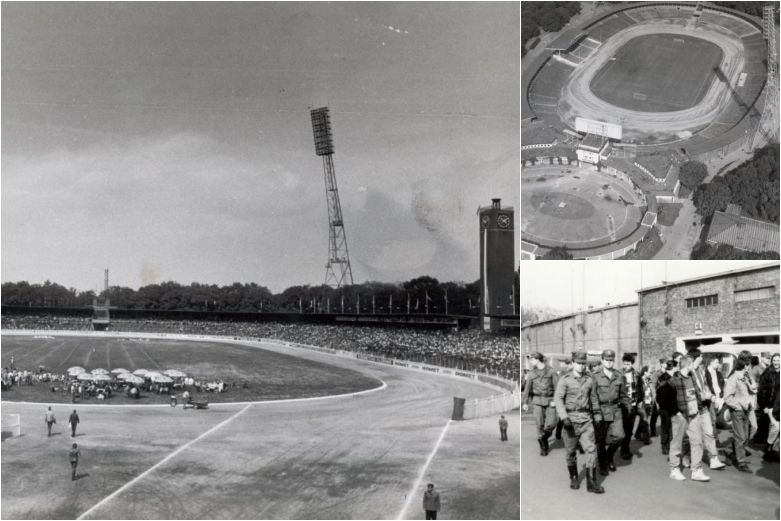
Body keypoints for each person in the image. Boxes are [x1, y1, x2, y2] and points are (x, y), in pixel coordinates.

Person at [554, 351, 604, 494]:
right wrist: (564, 417)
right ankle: (574, 477)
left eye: (584, 363)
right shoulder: (565, 380)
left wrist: (598, 415)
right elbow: (558, 399)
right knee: (570, 452)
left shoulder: (590, 379)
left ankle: (591, 482)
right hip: (570, 419)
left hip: (586, 419)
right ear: (573, 363)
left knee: (591, 449)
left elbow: (593, 398)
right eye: (579, 363)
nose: (581, 366)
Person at [669, 352, 711, 482]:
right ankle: (674, 469)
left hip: (694, 414)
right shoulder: (673, 380)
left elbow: (696, 394)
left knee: (697, 441)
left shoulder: (692, 377)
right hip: (681, 415)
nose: (695, 366)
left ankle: (696, 470)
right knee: (677, 442)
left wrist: (699, 406)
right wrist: (676, 412)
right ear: (688, 364)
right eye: (693, 363)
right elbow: (664, 399)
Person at [591, 349, 628, 476]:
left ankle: (608, 456)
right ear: (602, 360)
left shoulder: (619, 375)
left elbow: (623, 394)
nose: (609, 362)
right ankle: (602, 464)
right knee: (600, 440)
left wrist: (628, 407)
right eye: (607, 360)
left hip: (615, 409)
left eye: (611, 360)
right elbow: (593, 396)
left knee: (620, 436)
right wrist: (595, 412)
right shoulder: (595, 376)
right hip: (600, 410)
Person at [521, 352, 559, 456]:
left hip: (550, 400)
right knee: (539, 424)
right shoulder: (531, 373)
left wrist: (555, 401)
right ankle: (543, 447)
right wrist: (525, 402)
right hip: (537, 401)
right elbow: (527, 389)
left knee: (551, 423)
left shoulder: (551, 371)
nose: (531, 361)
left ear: (538, 359)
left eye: (532, 359)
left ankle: (543, 437)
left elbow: (557, 388)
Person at [724, 358, 754, 472]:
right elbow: (727, 397)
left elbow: (748, 391)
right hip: (737, 412)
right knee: (740, 437)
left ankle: (728, 452)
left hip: (745, 411)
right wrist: (738, 406)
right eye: (749, 365)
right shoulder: (733, 379)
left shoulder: (744, 377)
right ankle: (741, 462)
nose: (750, 368)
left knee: (744, 437)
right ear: (745, 366)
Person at [621, 353, 643, 458]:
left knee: (629, 430)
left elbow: (640, 389)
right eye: (624, 364)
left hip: (633, 405)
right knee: (621, 430)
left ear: (632, 364)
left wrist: (640, 401)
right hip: (622, 406)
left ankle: (625, 449)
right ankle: (621, 447)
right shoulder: (619, 374)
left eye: (628, 364)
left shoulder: (637, 375)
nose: (626, 366)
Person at [759, 353, 780, 461]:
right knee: (775, 428)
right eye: (774, 360)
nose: (776, 362)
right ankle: (768, 449)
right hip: (771, 405)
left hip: (779, 404)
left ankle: (774, 451)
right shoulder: (767, 373)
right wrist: (764, 406)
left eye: (778, 360)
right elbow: (761, 390)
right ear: (772, 361)